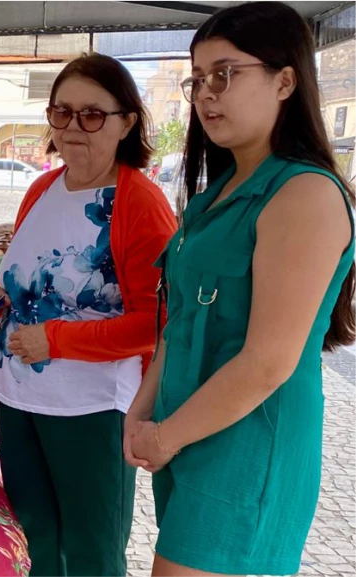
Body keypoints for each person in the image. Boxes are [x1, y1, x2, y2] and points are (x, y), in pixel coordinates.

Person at [124, 3, 355, 576]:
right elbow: (180, 321)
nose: (206, 94)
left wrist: (165, 436)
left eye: (225, 74)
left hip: (248, 447)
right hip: (190, 433)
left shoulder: (305, 195)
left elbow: (268, 363)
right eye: (197, 79)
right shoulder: (218, 194)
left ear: (285, 80)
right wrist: (141, 410)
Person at [0, 53, 177, 577]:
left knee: (91, 550)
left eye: (92, 114)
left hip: (92, 409)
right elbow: (25, 275)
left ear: (127, 121)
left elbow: (157, 322)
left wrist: (57, 340)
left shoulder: (139, 202)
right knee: (35, 536)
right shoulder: (42, 189)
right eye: (61, 112)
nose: (72, 127)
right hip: (19, 398)